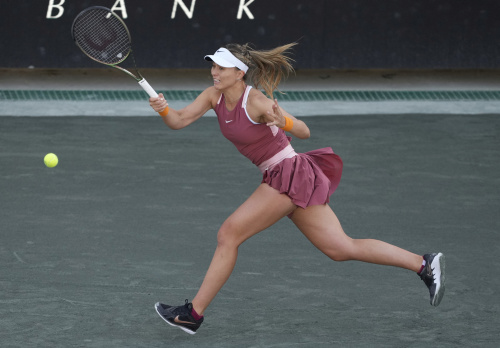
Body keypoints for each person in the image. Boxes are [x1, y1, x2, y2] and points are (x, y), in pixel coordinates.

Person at [149, 43, 446, 335]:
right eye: (212, 66)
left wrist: (284, 121)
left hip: (288, 173)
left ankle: (193, 315)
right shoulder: (214, 96)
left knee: (229, 234)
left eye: (221, 67)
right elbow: (179, 120)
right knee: (340, 248)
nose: (214, 72)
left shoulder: (257, 102)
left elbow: (304, 131)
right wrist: (163, 110)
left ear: (239, 73)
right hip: (288, 175)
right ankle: (423, 264)